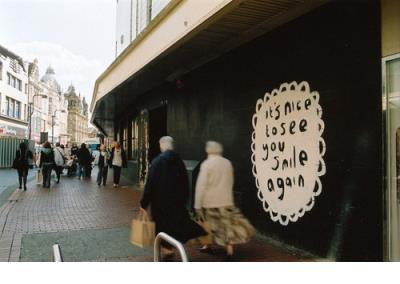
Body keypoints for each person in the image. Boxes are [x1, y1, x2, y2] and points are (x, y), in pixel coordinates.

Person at [140, 136, 206, 257]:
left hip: (159, 204)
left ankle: (168, 250)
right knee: (174, 224)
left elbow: (150, 184)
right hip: (176, 202)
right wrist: (184, 199)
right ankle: (170, 248)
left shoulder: (157, 162)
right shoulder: (179, 161)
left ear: (161, 146)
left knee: (162, 227)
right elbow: (185, 182)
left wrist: (144, 203)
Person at [194, 141, 255, 261]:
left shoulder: (206, 164)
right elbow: (231, 181)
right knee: (226, 226)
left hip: (210, 202)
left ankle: (207, 245)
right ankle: (229, 251)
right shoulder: (227, 163)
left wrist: (197, 204)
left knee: (208, 225)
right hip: (226, 200)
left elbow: (201, 186)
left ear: (208, 150)